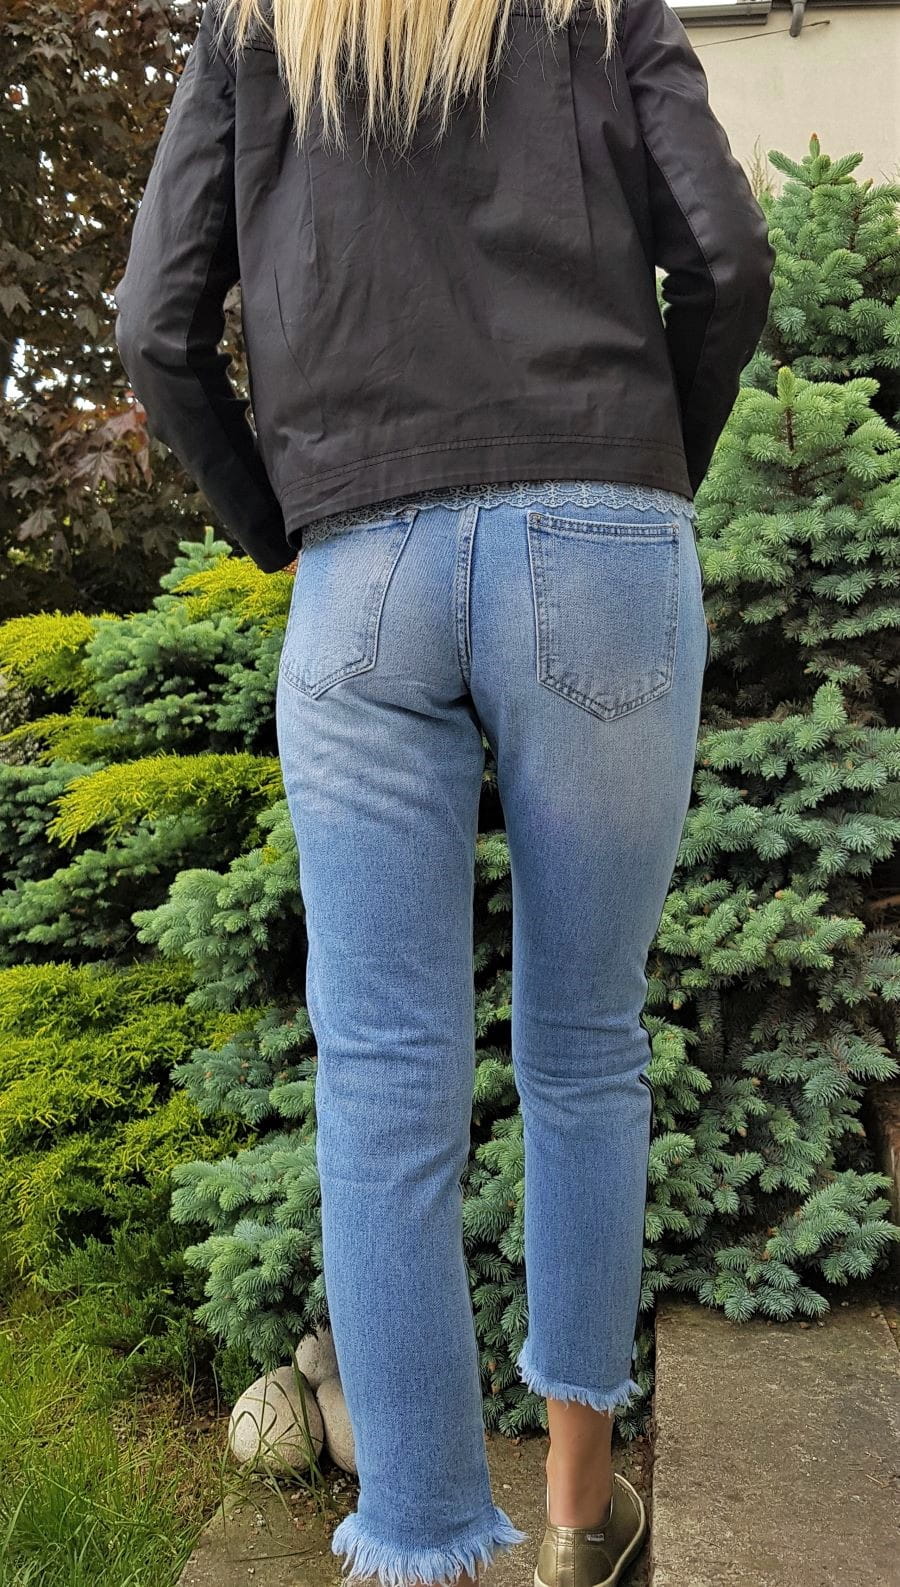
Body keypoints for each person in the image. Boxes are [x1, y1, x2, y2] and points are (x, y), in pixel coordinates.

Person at [113, 1, 775, 1583]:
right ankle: (578, 1521)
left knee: (382, 1077)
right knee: (587, 1045)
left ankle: (413, 1545)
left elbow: (154, 325)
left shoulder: (260, 27)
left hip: (362, 569)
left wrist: (283, 523)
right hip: (603, 539)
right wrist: (643, 466)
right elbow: (728, 259)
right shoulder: (602, 10)